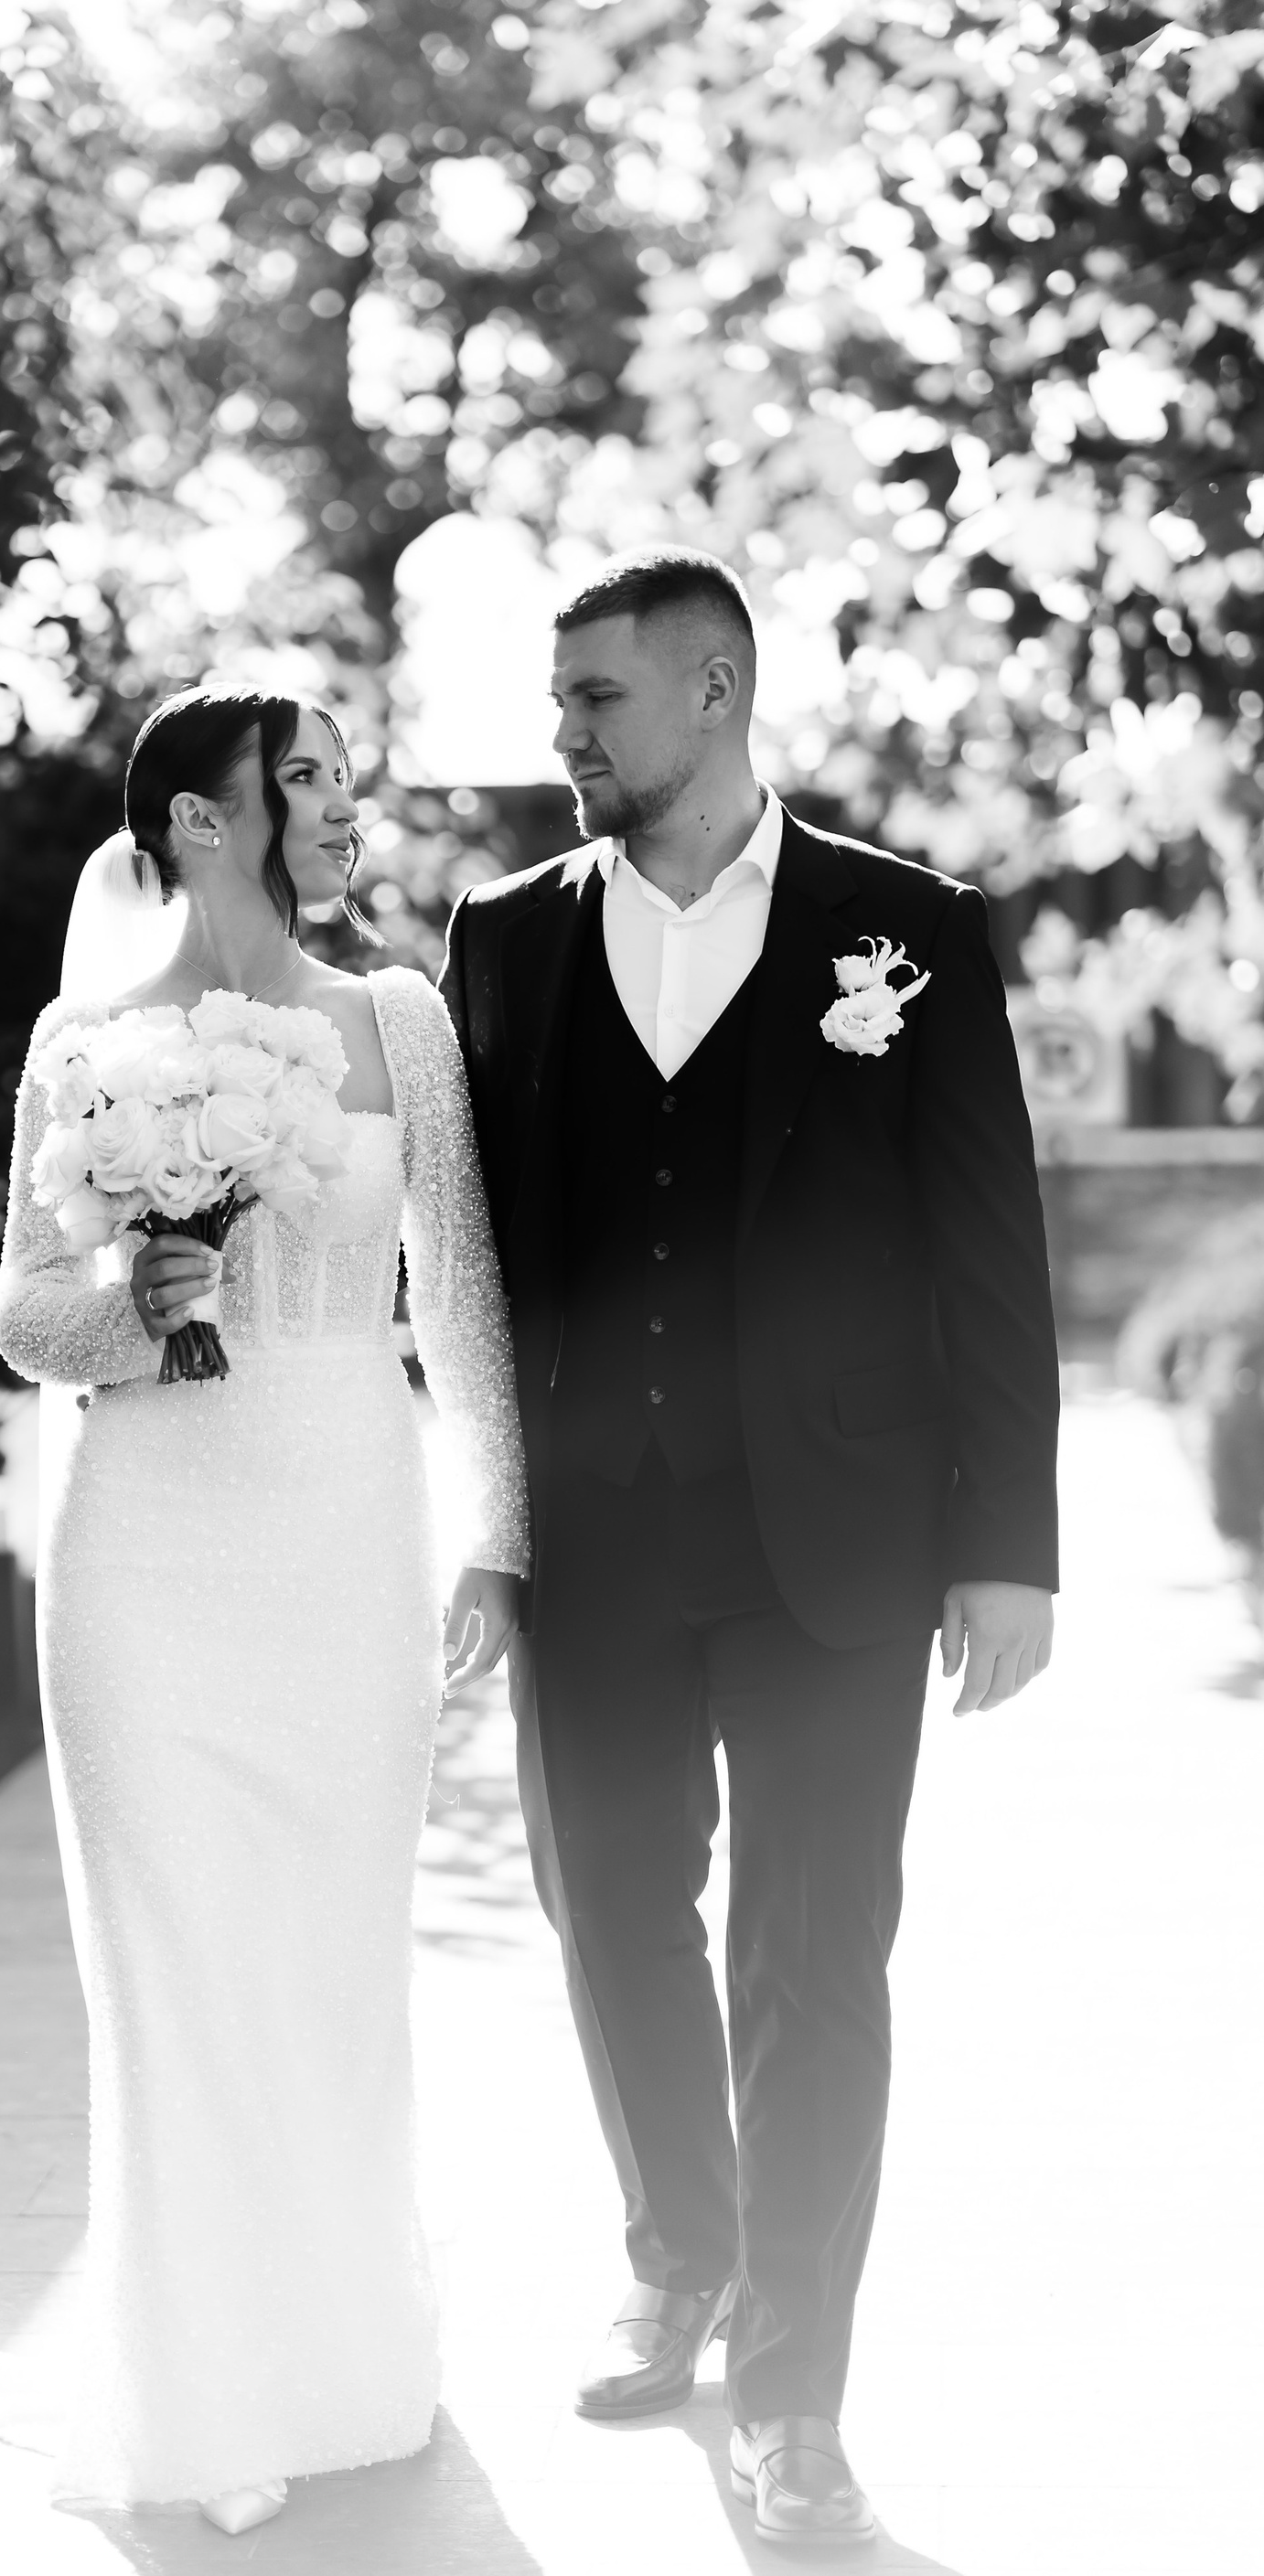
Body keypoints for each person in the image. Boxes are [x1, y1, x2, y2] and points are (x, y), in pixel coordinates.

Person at [440, 548, 1058, 2549]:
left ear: (715, 691)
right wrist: (477, 1521)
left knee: (815, 1961)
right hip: (592, 1542)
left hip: (842, 1546)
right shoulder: (501, 939)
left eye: (594, 697)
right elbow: (466, 1262)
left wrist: (1010, 1542)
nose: (561, 730)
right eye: (560, 697)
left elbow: (989, 1247)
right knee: (610, 1911)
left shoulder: (909, 931)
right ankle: (679, 2251)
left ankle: (797, 2392)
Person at [0, 685, 528, 2535]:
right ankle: (194, 2388)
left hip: (345, 1525)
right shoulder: (82, 1039)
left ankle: (336, 2359)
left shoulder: (397, 1020)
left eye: (345, 782)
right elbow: (26, 1313)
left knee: (324, 1964)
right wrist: (140, 1304)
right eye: (306, 782)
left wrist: (501, 1531)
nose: (344, 812)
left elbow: (459, 1295)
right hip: (140, 1555)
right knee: (173, 1971)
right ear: (201, 822)